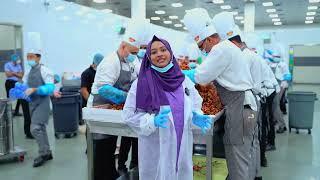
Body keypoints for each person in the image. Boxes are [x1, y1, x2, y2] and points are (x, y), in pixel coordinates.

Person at [123, 35, 212, 180]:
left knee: (180, 173)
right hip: (156, 146)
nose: (159, 54)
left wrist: (195, 114)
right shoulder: (141, 84)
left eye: (163, 50)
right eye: (154, 52)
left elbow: (195, 101)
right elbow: (128, 115)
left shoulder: (183, 80)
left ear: (170, 52)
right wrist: (151, 121)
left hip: (181, 144)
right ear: (149, 57)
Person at [183, 8, 258, 180]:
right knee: (239, 155)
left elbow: (201, 77)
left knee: (237, 158)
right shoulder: (226, 47)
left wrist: (180, 73)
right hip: (245, 106)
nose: (204, 51)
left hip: (241, 108)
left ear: (209, 39)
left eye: (202, 46)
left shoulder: (220, 49)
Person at [88, 22, 150, 180]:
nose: (134, 55)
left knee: (110, 148)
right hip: (100, 110)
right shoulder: (110, 62)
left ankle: (111, 174)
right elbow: (104, 89)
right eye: (132, 52)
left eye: (136, 52)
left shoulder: (130, 61)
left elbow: (139, 77)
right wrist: (128, 97)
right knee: (102, 150)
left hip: (114, 111)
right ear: (123, 46)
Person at [22, 47, 59, 167]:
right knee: (41, 128)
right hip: (32, 103)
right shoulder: (28, 72)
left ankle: (42, 153)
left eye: (31, 57)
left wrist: (35, 89)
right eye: (28, 57)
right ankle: (47, 152)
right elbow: (23, 85)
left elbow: (49, 88)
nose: (29, 59)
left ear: (38, 57)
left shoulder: (45, 70)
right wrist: (19, 87)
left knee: (35, 128)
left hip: (42, 103)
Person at [4, 54, 33, 139]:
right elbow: (8, 75)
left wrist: (13, 73)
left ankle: (27, 131)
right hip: (10, 83)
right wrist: (16, 74)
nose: (18, 60)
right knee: (9, 100)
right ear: (13, 59)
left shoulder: (19, 66)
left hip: (18, 84)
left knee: (23, 100)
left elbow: (21, 76)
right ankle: (8, 113)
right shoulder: (7, 64)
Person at [267, 48, 291, 133]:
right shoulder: (271, 64)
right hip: (274, 87)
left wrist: (285, 78)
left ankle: (282, 125)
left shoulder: (283, 64)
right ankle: (276, 121)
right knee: (275, 106)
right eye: (274, 56)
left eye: (277, 56)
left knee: (275, 106)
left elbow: (288, 75)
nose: (275, 57)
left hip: (281, 86)